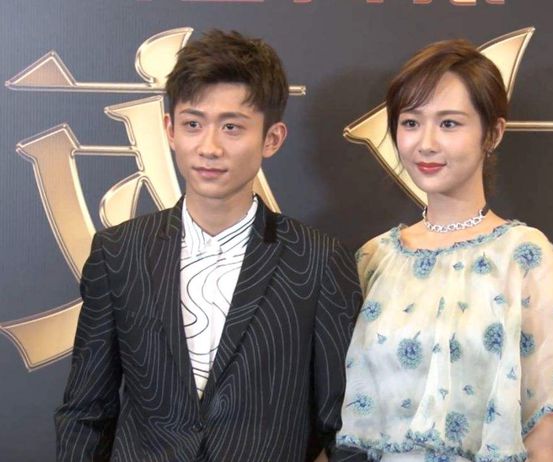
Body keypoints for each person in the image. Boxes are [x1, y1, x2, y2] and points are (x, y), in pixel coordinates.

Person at [55, 29, 364, 462]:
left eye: (232, 127)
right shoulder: (119, 252)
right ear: (169, 130)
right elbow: (86, 411)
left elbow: (347, 423)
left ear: (272, 138)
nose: (209, 147)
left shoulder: (318, 260)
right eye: (193, 124)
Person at [336, 40, 553, 462]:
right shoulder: (376, 258)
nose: (426, 143)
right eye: (411, 122)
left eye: (449, 123)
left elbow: (546, 435)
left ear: (492, 133)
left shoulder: (525, 257)